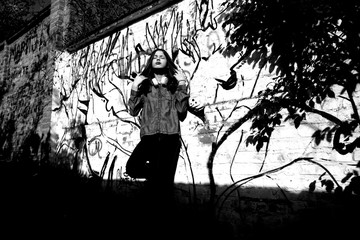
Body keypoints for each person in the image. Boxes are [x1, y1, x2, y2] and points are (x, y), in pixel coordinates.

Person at [126, 48, 189, 201]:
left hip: (170, 138)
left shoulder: (173, 86)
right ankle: (159, 175)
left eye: (162, 57)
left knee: (162, 189)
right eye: (155, 57)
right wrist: (134, 87)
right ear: (151, 62)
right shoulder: (145, 87)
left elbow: (182, 112)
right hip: (149, 137)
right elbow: (133, 111)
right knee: (132, 167)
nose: (158, 58)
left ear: (167, 62)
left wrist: (181, 84)